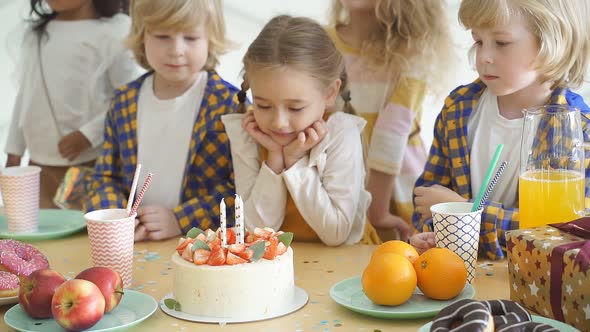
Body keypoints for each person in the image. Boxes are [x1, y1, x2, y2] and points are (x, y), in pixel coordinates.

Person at [411, 0, 590, 259]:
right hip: (459, 276)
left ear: (553, 41)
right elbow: (427, 200)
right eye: (478, 41)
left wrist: (466, 212)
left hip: (535, 287)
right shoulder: (458, 110)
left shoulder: (579, 130)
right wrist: (428, 233)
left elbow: (566, 234)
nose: (484, 57)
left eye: (502, 43)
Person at [85, 0, 239, 241]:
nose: (176, 50)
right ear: (142, 36)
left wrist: (181, 219)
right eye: (162, 36)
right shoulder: (124, 101)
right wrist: (116, 218)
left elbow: (241, 190)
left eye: (190, 38)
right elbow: (105, 177)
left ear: (211, 39)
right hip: (133, 244)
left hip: (203, 248)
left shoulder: (229, 105)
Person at [221, 15, 371, 246]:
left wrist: (294, 161)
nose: (279, 122)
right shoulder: (248, 134)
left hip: (342, 263)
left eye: (295, 107)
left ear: (330, 93)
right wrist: (274, 161)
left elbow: (336, 233)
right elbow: (255, 231)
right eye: (263, 105)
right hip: (277, 267)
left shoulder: (341, 134)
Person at [327, 0, 454, 242]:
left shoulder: (413, 50)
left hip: (395, 189)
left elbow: (392, 130)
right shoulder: (321, 41)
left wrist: (378, 211)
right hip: (340, 182)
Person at [4, 0, 141, 208]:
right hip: (39, 166)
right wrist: (14, 151)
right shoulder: (37, 34)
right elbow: (26, 95)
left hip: (92, 164)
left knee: (86, 233)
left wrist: (89, 135)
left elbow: (128, 97)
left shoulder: (112, 33)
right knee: (42, 232)